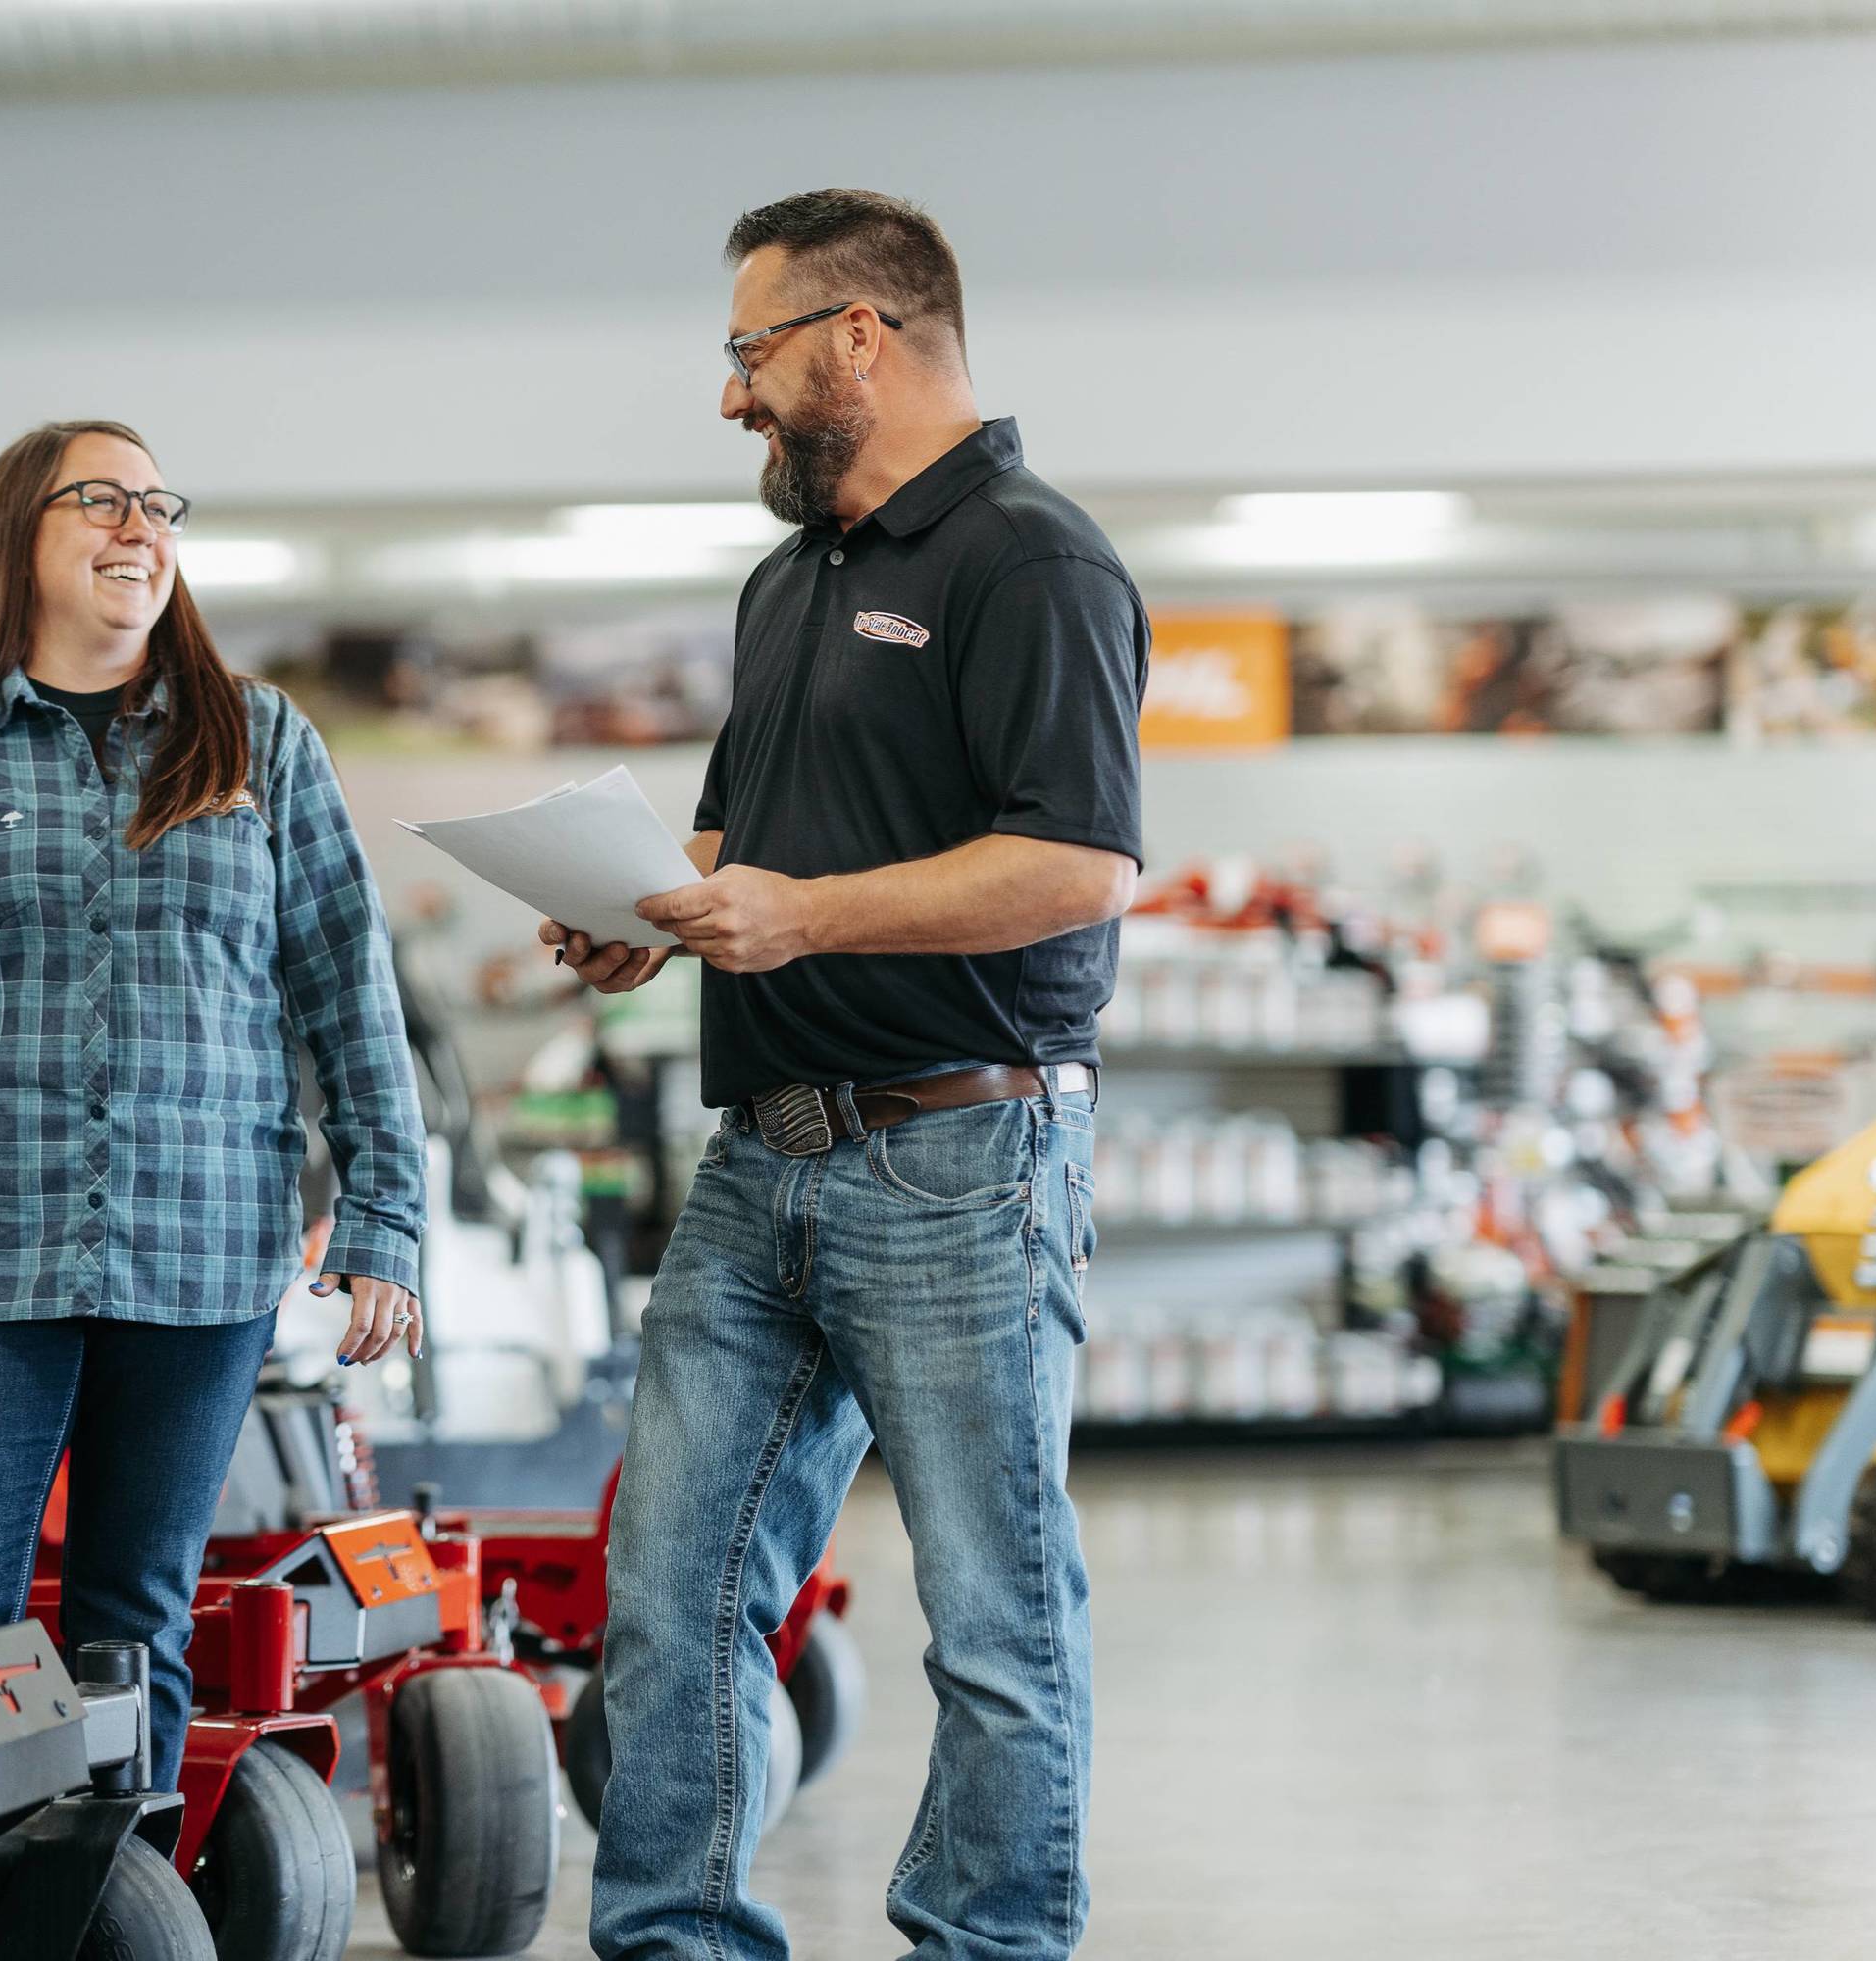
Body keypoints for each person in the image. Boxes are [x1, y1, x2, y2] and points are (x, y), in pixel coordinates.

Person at [557, 192, 1147, 1961]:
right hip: (762, 1167)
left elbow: (1079, 864)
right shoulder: (790, 578)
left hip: (961, 1158)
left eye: (750, 352)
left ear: (859, 336)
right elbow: (750, 832)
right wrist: (646, 915)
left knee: (995, 1618)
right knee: (668, 1598)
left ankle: (986, 1943)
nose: (733, 398)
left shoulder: (1033, 561)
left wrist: (801, 917)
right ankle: (673, 1940)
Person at [0, 418, 426, 1784]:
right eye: (103, 502)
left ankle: (120, 1912)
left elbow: (347, 989)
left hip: (205, 1252)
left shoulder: (261, 740)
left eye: (159, 505)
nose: (142, 528)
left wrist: (386, 1214)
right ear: (22, 534)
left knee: (141, 1621)